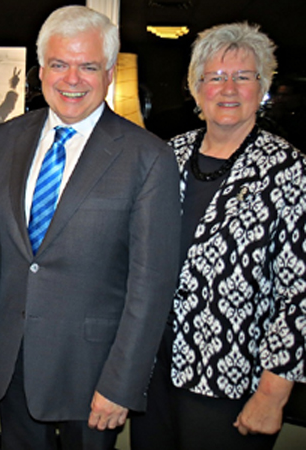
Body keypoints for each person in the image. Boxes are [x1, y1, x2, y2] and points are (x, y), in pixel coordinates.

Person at [0, 6, 181, 450]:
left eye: (88, 66)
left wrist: (122, 383)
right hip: (11, 356)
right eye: (59, 64)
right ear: (40, 70)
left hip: (93, 371)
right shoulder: (7, 137)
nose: (72, 79)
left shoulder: (148, 157)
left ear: (109, 73)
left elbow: (152, 285)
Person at [130, 23, 306, 450]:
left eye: (243, 77)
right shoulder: (166, 155)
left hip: (232, 382)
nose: (228, 89)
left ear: (261, 88)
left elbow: (300, 293)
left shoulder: (289, 169)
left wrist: (272, 393)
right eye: (215, 77)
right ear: (196, 89)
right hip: (153, 373)